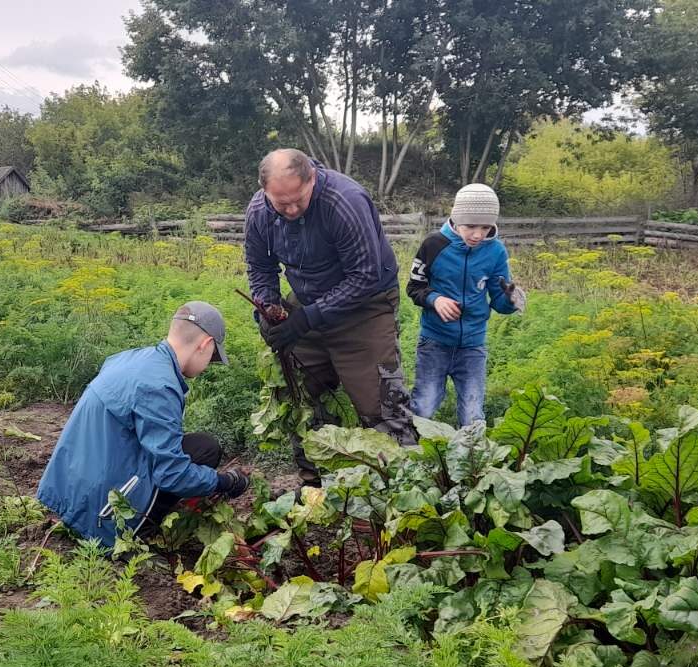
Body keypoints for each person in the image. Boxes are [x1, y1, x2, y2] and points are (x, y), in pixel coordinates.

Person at [244, 148, 416, 482]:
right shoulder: (258, 213)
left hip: (364, 305)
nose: (292, 209)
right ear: (266, 192)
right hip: (308, 298)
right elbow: (260, 267)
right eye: (282, 204)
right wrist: (267, 310)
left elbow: (365, 276)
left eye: (299, 199)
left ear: (313, 179)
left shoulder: (344, 201)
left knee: (381, 403)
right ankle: (318, 486)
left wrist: (307, 318)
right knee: (299, 396)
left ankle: (406, 487)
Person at [37, 302, 249, 545]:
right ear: (205, 344)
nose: (207, 366)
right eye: (212, 357)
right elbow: (172, 474)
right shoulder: (159, 386)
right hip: (96, 514)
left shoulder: (130, 359)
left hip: (66, 489)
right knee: (198, 457)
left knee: (203, 447)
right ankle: (135, 534)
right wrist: (224, 482)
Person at [406, 184, 523, 427]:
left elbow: (499, 299)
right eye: (470, 226)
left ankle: (471, 460)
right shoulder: (433, 245)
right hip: (434, 342)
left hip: (472, 346)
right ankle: (410, 453)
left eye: (485, 227)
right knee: (424, 406)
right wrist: (435, 299)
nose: (478, 235)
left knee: (472, 413)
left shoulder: (496, 252)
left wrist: (511, 300)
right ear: (455, 218)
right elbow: (414, 288)